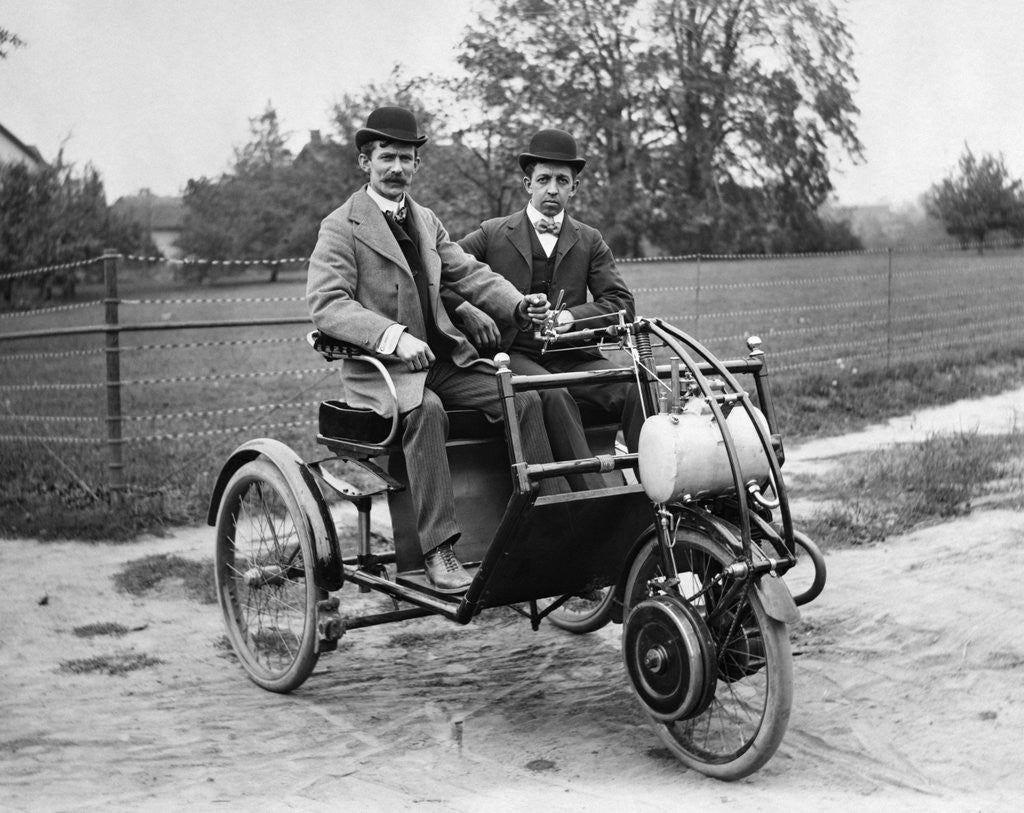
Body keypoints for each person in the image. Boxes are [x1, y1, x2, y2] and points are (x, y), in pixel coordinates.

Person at [307, 106, 571, 594]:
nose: (397, 169)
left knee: (523, 398)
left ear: (417, 165)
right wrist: (395, 337)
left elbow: (468, 273)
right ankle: (438, 548)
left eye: (406, 159)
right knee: (426, 413)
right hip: (382, 373)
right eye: (386, 157)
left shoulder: (425, 220)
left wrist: (519, 305)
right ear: (365, 162)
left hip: (441, 362)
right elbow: (328, 305)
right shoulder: (341, 226)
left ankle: (549, 526)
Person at [444, 128, 644, 478]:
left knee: (635, 387)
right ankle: (592, 498)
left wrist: (570, 318)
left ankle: (654, 492)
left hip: (574, 356)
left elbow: (621, 304)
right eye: (544, 179)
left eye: (562, 181)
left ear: (574, 187)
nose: (553, 189)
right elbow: (439, 271)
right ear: (528, 184)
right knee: (553, 394)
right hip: (514, 354)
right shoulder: (492, 233)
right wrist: (466, 308)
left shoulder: (589, 240)